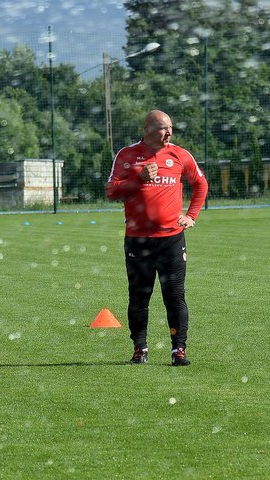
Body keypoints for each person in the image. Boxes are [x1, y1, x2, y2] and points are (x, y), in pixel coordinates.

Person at [106, 110, 208, 366]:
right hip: (138, 240)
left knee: (175, 296)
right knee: (139, 297)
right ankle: (140, 349)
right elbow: (111, 191)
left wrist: (191, 215)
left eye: (171, 128)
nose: (169, 133)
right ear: (149, 129)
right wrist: (138, 180)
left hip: (171, 240)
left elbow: (201, 184)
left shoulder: (180, 155)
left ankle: (178, 350)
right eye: (164, 128)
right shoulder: (127, 155)